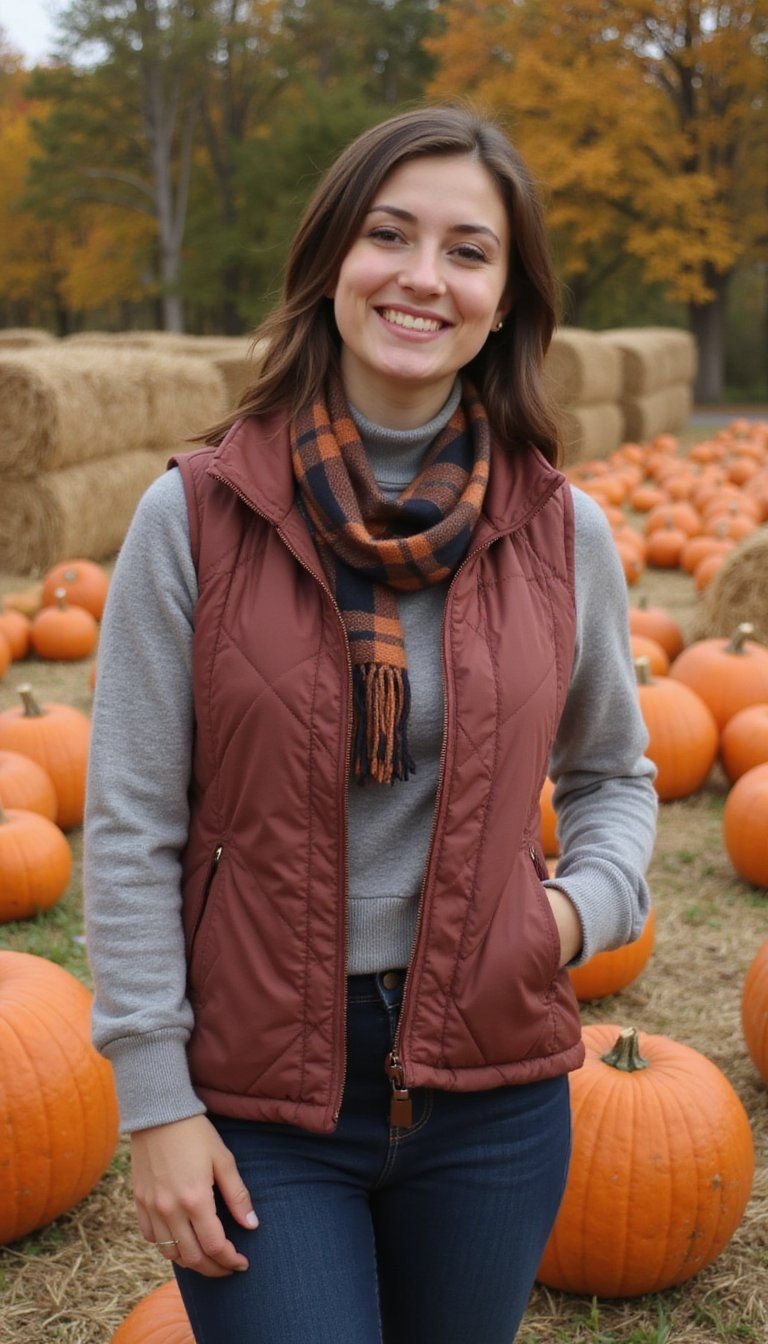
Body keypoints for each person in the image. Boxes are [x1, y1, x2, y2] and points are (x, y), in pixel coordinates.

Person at [84, 104, 657, 1344]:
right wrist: (156, 1104)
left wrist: (571, 914)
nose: (422, 276)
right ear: (334, 258)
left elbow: (614, 772)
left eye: (468, 249)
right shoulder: (195, 518)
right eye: (390, 234)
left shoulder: (563, 534)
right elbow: (128, 825)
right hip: (256, 1092)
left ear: (504, 300)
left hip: (493, 1079)